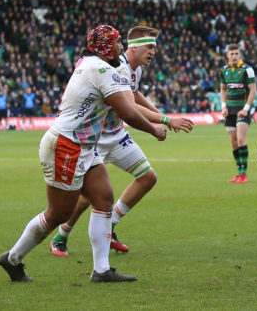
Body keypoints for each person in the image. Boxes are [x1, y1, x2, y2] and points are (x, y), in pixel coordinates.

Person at [0, 25, 167, 283]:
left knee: (103, 198)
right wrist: (155, 129)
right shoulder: (99, 69)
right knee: (58, 213)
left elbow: (129, 99)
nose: (120, 48)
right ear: (105, 46)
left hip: (83, 145)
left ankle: (101, 270)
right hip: (66, 145)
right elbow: (128, 112)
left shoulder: (93, 64)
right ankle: (12, 259)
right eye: (118, 43)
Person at [50, 26, 194, 257]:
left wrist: (161, 117)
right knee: (87, 197)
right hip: (96, 138)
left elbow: (135, 94)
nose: (153, 52)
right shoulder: (119, 67)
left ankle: (110, 226)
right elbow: (130, 106)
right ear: (134, 48)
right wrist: (166, 119)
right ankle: (61, 235)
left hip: (116, 136)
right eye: (150, 47)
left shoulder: (134, 70)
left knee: (147, 177)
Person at [219, 43, 257, 183]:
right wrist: (223, 107)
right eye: (232, 54)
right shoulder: (224, 70)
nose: (234, 56)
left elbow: (253, 90)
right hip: (230, 110)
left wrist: (246, 109)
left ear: (240, 54)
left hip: (243, 110)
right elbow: (223, 89)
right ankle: (239, 173)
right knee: (234, 142)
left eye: (236, 53)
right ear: (227, 55)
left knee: (241, 140)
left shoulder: (247, 69)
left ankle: (244, 174)